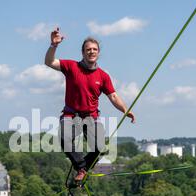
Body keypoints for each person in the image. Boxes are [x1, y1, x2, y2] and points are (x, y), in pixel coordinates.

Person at [44, 28, 136, 183]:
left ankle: (83, 169)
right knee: (64, 140)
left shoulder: (103, 76)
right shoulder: (72, 67)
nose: (91, 52)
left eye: (94, 49)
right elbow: (49, 62)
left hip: (90, 116)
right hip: (71, 115)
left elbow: (113, 96)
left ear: (98, 53)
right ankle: (81, 168)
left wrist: (125, 110)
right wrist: (53, 46)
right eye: (88, 49)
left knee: (100, 148)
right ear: (83, 52)